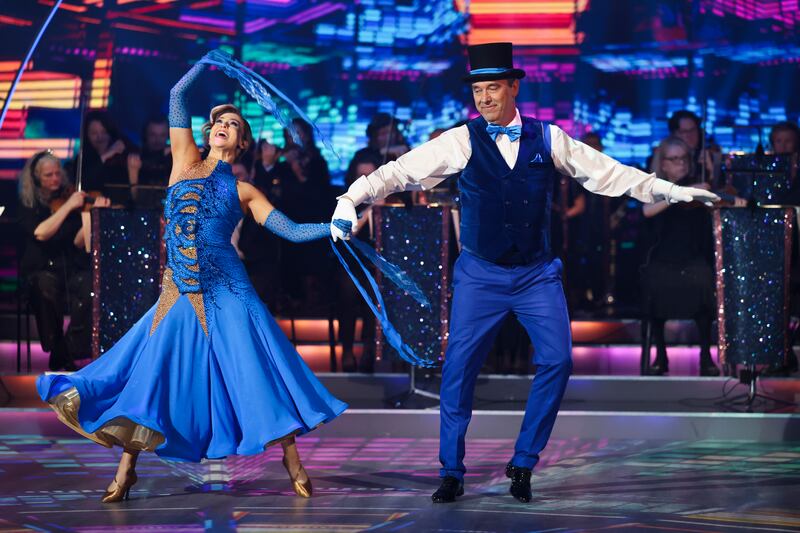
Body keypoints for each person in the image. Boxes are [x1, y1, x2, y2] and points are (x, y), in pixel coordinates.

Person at [330, 42, 718, 504]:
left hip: (536, 274)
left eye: (493, 88)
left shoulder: (548, 137)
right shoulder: (459, 140)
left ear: (514, 87)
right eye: (478, 90)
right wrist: (348, 201)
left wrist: (671, 190)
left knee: (558, 360)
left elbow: (608, 174)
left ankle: (525, 459)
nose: (484, 99)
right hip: (480, 274)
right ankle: (451, 469)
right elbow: (394, 173)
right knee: (457, 370)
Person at [36, 52, 348, 504]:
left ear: (241, 143)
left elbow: (292, 230)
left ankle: (292, 462)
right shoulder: (183, 160)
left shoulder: (244, 190)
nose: (222, 125)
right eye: (218, 121)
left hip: (230, 289)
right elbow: (177, 94)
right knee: (153, 373)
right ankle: (126, 470)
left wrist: (332, 228)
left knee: (254, 371)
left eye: (233, 124)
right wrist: (202, 64)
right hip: (178, 289)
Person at [18, 150, 111, 371]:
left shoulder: (70, 197)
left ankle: (67, 348)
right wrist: (69, 206)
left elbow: (80, 242)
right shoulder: (29, 205)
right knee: (46, 287)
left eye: (57, 173)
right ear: (36, 178)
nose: (55, 179)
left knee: (92, 286)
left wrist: (94, 215)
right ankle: (57, 345)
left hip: (70, 268)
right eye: (48, 175)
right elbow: (40, 233)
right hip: (40, 270)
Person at [640, 137, 721, 377]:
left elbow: (716, 204)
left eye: (684, 158)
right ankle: (661, 356)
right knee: (655, 284)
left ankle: (706, 357)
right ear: (663, 164)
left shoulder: (697, 187)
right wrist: (679, 193)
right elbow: (647, 211)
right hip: (663, 258)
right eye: (674, 159)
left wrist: (711, 176)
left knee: (703, 281)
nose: (681, 164)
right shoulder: (653, 188)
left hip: (693, 258)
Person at [70, 110, 135, 206]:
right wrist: (105, 156)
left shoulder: (122, 157)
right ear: (87, 135)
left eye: (104, 132)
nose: (100, 137)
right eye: (94, 133)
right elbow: (84, 183)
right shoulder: (82, 159)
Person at [129, 116, 172, 209]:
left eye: (162, 135)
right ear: (145, 135)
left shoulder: (173, 157)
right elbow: (133, 199)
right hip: (142, 210)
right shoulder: (137, 157)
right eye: (153, 135)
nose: (157, 140)